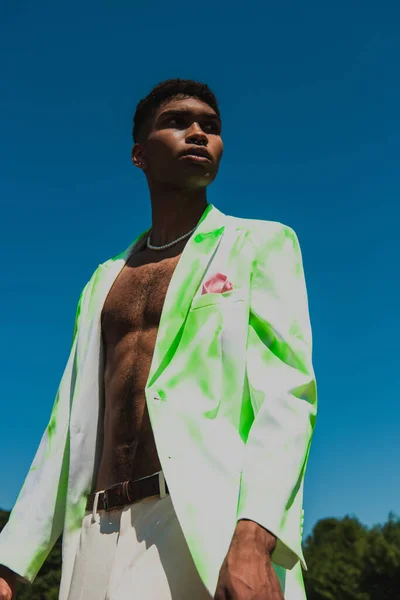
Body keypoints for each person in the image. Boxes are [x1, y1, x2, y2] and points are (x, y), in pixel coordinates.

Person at [0, 78, 317, 600]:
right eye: (178, 122)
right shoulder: (103, 280)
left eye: (211, 127)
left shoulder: (260, 244)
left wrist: (256, 536)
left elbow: (287, 397)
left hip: (203, 530)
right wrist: (11, 563)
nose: (198, 134)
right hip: (96, 533)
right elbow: (68, 429)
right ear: (138, 155)